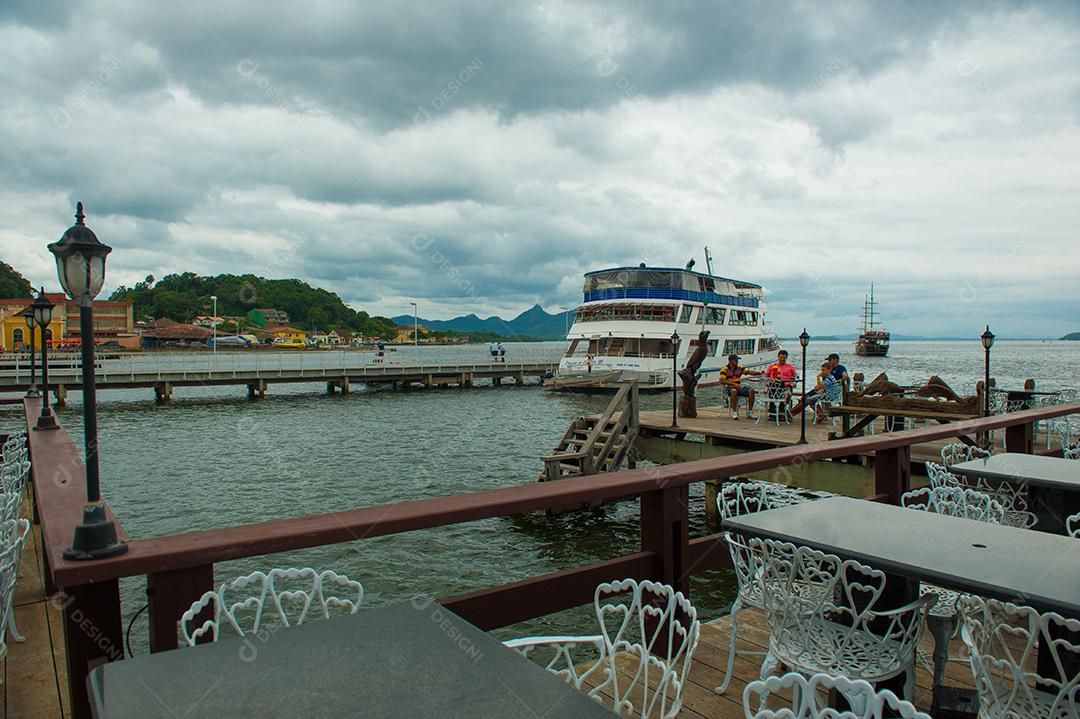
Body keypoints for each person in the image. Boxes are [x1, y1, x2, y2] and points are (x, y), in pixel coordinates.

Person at [719, 353, 762, 420]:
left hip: (739, 387)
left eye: (737, 360)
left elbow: (749, 372)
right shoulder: (724, 369)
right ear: (730, 361)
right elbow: (722, 381)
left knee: (751, 391)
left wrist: (758, 373)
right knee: (734, 391)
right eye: (735, 360)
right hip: (729, 388)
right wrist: (734, 384)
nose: (737, 361)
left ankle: (750, 412)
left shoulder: (740, 367)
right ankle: (734, 412)